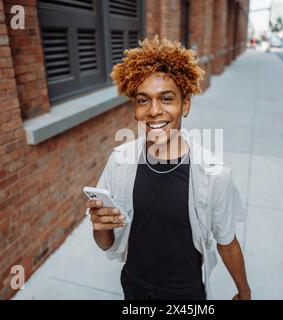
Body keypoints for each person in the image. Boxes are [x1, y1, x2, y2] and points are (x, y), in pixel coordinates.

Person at [86, 35, 251, 300]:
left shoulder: (214, 175)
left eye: (166, 98)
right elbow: (106, 243)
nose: (154, 111)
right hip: (133, 286)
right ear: (135, 108)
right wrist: (99, 227)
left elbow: (227, 242)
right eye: (143, 100)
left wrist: (244, 291)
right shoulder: (120, 161)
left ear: (185, 105)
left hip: (185, 293)